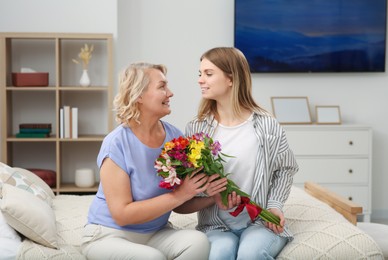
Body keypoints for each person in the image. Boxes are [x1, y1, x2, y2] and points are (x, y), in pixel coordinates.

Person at [81, 62, 211, 260]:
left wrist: (212, 198)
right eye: (162, 87)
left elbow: (178, 203)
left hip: (156, 232)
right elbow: (122, 214)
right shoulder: (116, 143)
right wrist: (179, 195)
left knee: (198, 242)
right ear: (138, 95)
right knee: (152, 258)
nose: (170, 93)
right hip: (110, 234)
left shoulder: (174, 137)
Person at [183, 47, 299, 259]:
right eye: (200, 74)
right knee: (220, 253)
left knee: (250, 253)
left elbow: (286, 169)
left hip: (259, 222)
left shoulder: (267, 125)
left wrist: (274, 206)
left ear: (231, 78)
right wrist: (210, 193)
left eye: (208, 74)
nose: (200, 80)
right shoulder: (196, 129)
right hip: (215, 226)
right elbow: (191, 183)